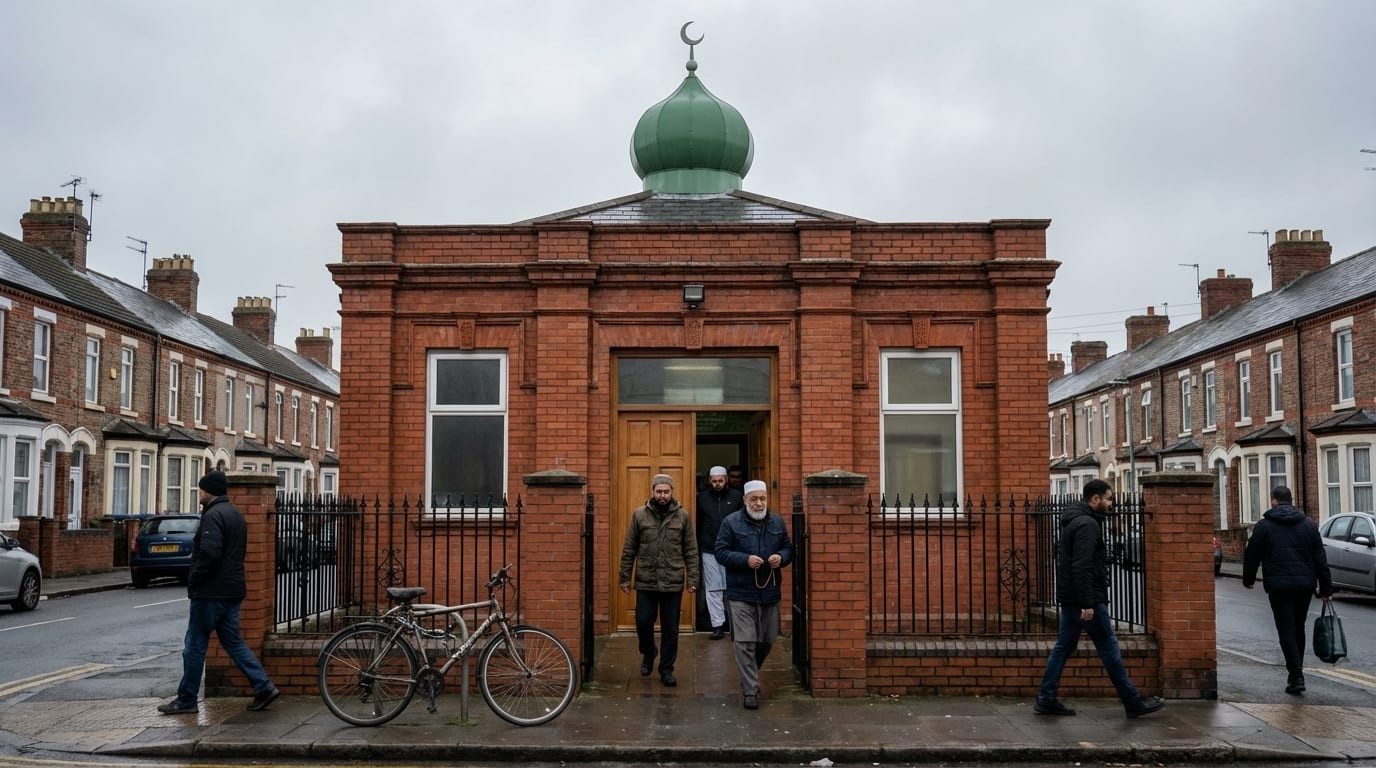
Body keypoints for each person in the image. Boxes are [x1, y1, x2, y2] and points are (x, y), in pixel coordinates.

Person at [1034, 478, 1164, 719]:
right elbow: (1081, 566)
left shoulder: (1077, 520)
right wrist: (1087, 603)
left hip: (1072, 598)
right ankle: (1132, 701)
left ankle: (1046, 698)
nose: (1111, 503)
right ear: (1095, 499)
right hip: (1086, 600)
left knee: (1063, 648)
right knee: (1108, 648)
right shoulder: (1087, 525)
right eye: (1109, 498)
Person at [158, 471, 280, 715]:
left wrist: (194, 579)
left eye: (202, 489)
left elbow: (210, 553)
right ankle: (263, 686)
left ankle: (186, 699)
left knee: (194, 645)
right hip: (232, 590)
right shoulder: (235, 514)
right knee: (233, 641)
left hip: (210, 592)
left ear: (209, 491)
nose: (199, 493)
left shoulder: (213, 516)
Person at [1242, 485, 1333, 695]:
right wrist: (1326, 587)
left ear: (1274, 500)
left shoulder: (1264, 526)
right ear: (1291, 500)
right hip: (1304, 585)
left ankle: (1296, 675)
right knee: (1298, 628)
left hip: (1279, 586)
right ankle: (1295, 675)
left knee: (1286, 630)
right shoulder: (1309, 525)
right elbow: (1320, 558)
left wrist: (1248, 579)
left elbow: (1252, 554)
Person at [714, 479, 793, 710]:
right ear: (745, 500)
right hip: (741, 593)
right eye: (754, 499)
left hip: (769, 592)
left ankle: (749, 672)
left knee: (768, 639)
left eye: (763, 499)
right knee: (745, 642)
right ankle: (750, 690)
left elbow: (788, 548)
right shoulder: (731, 522)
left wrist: (782, 557)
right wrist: (745, 560)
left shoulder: (777, 521)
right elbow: (720, 552)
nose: (759, 503)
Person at [619, 473, 699, 687]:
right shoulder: (639, 515)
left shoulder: (683, 516)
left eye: (666, 491)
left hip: (672, 580)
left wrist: (693, 578)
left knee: (670, 629)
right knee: (643, 622)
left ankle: (666, 669)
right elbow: (629, 548)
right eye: (659, 491)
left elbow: (691, 549)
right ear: (652, 491)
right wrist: (624, 577)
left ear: (672, 492)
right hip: (646, 579)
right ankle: (648, 651)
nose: (662, 495)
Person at [696, 465, 744, 640]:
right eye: (714, 481)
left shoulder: (737, 497)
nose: (717, 484)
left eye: (720, 481)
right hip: (709, 549)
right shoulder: (701, 499)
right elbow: (698, 523)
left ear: (726, 480)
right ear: (710, 481)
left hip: (732, 550)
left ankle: (734, 624)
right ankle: (717, 625)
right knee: (713, 588)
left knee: (732, 588)